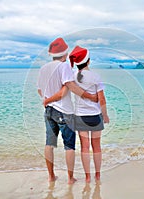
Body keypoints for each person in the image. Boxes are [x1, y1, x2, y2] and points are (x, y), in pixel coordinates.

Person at [37, 38, 97, 184]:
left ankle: (51, 176)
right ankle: (70, 178)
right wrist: (89, 96)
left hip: (49, 111)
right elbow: (68, 88)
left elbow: (40, 90)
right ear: (65, 53)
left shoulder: (43, 68)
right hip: (64, 111)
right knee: (69, 146)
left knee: (49, 143)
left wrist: (46, 100)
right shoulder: (64, 67)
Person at [69, 45, 109, 183]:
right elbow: (102, 99)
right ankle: (98, 175)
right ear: (88, 61)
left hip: (80, 116)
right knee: (96, 146)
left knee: (84, 147)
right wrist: (105, 115)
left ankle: (87, 177)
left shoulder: (73, 76)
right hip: (95, 116)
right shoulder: (96, 77)